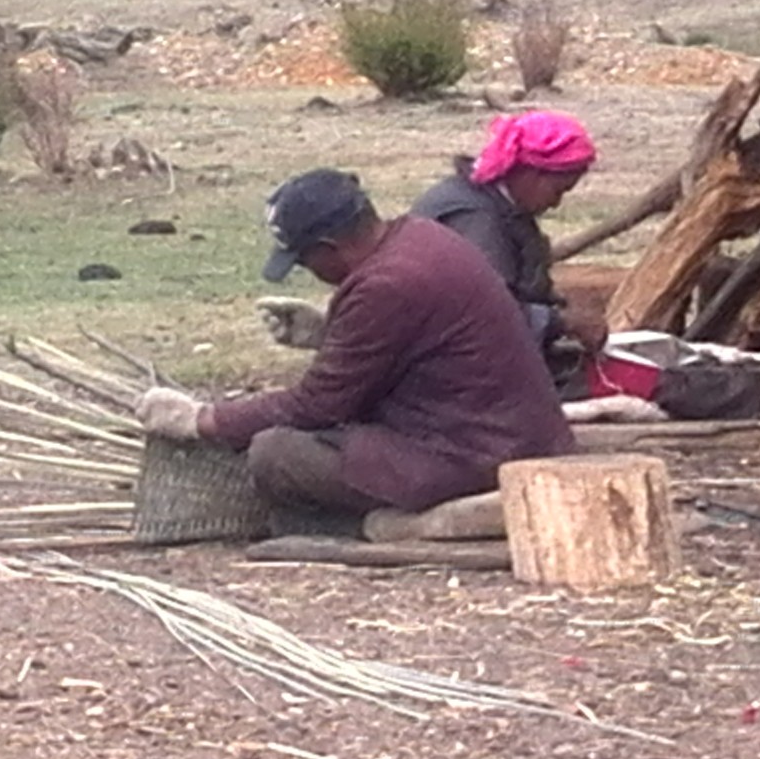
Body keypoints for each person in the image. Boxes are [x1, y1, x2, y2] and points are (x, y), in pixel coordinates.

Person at [135, 168, 574, 529]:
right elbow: (406, 349)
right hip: (506, 434)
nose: (308, 271)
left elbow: (317, 406)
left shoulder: (384, 285)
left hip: (478, 455)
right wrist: (329, 335)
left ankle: (395, 526)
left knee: (276, 454)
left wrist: (203, 419)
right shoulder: (419, 237)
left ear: (329, 249)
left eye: (305, 261)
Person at [258, 111, 605, 382]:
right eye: (558, 191)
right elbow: (491, 320)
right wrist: (564, 323)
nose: (557, 204)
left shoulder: (490, 204)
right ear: (530, 174)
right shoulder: (477, 221)